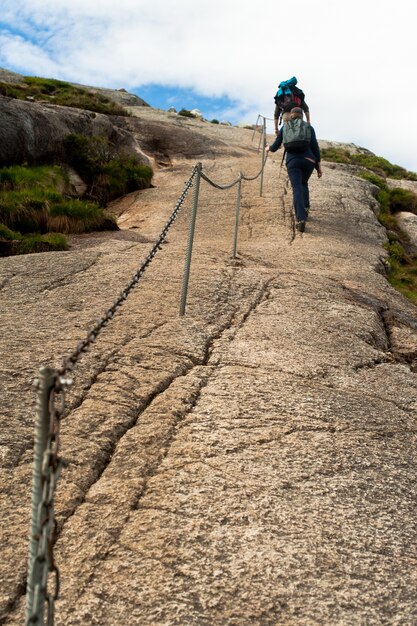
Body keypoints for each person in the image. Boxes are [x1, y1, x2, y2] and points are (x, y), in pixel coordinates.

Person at [266, 107, 322, 233]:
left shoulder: (285, 127)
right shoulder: (309, 127)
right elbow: (315, 147)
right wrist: (318, 165)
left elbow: (275, 146)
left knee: (297, 187)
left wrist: (268, 148)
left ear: (291, 116)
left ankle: (301, 219)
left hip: (293, 161)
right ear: (301, 116)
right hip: (309, 161)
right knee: (304, 183)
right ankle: (306, 207)